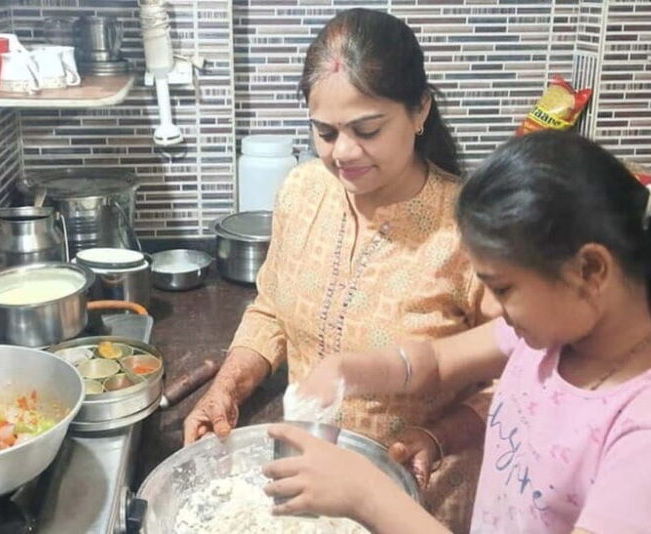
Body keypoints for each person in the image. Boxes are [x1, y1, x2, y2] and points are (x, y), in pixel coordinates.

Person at [263, 130, 651, 533]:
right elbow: (436, 362)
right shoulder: (552, 337)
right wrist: (348, 370)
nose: (489, 307)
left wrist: (366, 495)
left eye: (502, 288)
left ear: (590, 270)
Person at [184, 8, 490, 531]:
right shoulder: (302, 192)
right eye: (325, 132)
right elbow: (271, 310)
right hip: (306, 485)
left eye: (367, 129)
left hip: (419, 499)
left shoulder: (470, 230)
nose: (344, 152)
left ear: (419, 110)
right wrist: (228, 387)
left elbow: (521, 379)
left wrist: (440, 435)